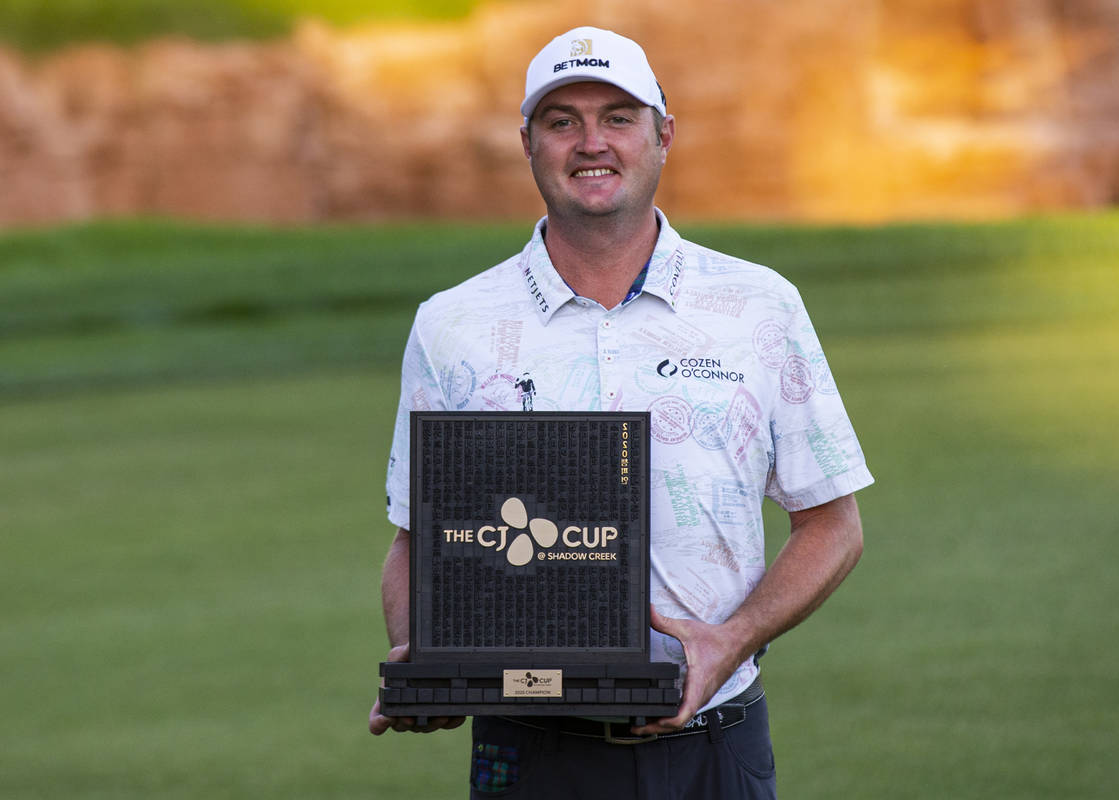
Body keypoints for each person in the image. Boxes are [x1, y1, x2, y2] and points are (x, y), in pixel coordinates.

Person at [368, 25, 873, 799]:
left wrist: (728, 642)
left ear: (664, 134)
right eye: (561, 120)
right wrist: (422, 658)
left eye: (618, 116)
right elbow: (417, 541)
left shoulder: (759, 306)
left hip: (713, 746)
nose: (590, 142)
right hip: (530, 750)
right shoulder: (452, 323)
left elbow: (833, 525)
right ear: (527, 144)